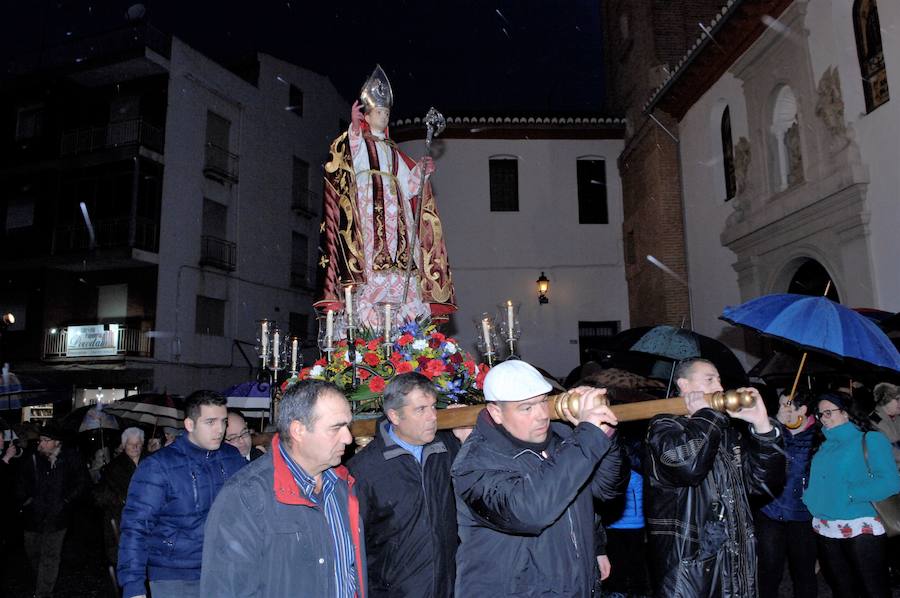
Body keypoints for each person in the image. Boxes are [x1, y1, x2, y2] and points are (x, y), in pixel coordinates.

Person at [452, 360, 627, 597]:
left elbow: (606, 490)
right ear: (496, 412)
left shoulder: (565, 439)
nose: (542, 415)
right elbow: (530, 511)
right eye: (527, 408)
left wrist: (604, 432)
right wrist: (588, 438)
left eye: (543, 401)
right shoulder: (474, 463)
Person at [316, 64, 455, 327]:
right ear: (367, 116)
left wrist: (421, 174)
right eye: (380, 111)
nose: (385, 116)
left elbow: (408, 186)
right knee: (370, 268)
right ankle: (368, 325)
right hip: (369, 216)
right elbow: (344, 158)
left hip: (397, 224)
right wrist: (354, 127)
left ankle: (405, 328)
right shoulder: (358, 144)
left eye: (387, 112)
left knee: (403, 273)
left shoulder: (393, 151)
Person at [200, 380, 366, 597]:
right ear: (298, 430)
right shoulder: (246, 495)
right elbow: (226, 589)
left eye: (347, 426)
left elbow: (349, 574)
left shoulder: (342, 485)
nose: (348, 437)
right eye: (336, 428)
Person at [644, 357, 785, 597]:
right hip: (690, 571)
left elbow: (763, 486)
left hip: (736, 563)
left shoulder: (724, 431)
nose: (719, 387)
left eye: (719, 380)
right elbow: (687, 467)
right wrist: (707, 415)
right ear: (684, 385)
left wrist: (762, 427)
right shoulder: (663, 426)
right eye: (710, 379)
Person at [117, 391, 245, 598]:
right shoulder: (158, 466)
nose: (219, 429)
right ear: (189, 424)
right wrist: (133, 586)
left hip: (225, 570)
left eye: (223, 421)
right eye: (210, 422)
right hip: (175, 574)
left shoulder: (231, 457)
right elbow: (135, 527)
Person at [348, 372, 465, 597]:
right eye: (421, 409)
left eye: (433, 407)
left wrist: (466, 441)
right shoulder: (364, 469)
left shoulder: (448, 448)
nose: (432, 416)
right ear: (394, 415)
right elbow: (354, 546)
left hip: (449, 589)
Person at [803, 391, 900, 598]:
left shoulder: (870, 439)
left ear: (846, 413)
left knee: (873, 589)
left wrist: (849, 494)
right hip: (826, 526)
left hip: (860, 524)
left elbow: (890, 482)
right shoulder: (823, 444)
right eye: (821, 414)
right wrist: (811, 497)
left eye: (829, 412)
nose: (824, 418)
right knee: (842, 589)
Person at [755, 391, 819, 598]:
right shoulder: (772, 429)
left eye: (787, 406)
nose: (781, 410)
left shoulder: (819, 435)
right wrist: (775, 424)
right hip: (770, 511)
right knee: (768, 571)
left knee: (804, 572)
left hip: (802, 515)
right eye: (780, 405)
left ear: (803, 410)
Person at [14, 422, 90, 598]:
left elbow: (82, 482)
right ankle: (43, 579)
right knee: (33, 551)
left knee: (50, 555)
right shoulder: (33, 457)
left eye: (46, 440)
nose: (41, 443)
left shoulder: (70, 458)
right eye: (41, 439)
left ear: (57, 442)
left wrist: (66, 500)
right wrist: (26, 500)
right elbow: (20, 481)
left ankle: (43, 593)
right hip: (34, 515)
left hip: (57, 516)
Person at [94, 427, 144, 566]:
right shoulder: (113, 468)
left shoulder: (150, 463)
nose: (135, 447)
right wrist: (121, 499)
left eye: (138, 443)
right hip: (121, 520)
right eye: (130, 444)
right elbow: (100, 495)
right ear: (123, 445)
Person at [871, 382, 900, 469]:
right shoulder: (873, 420)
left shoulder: (897, 417)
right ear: (885, 400)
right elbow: (886, 451)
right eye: (897, 399)